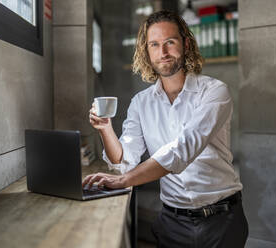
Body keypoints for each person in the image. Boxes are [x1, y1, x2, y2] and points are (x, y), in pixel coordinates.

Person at [83, 10, 248, 248]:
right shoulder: (141, 102)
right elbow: (124, 160)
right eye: (154, 44)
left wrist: (125, 180)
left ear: (186, 44)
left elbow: (183, 149)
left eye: (170, 42)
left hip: (222, 221)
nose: (163, 53)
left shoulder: (214, 92)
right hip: (172, 224)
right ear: (147, 52)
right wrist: (105, 129)